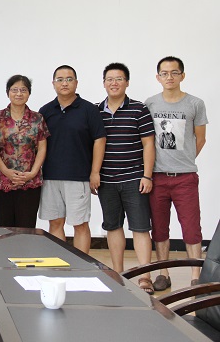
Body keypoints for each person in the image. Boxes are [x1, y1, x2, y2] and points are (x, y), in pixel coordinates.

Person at [145, 56, 208, 291]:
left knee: (191, 227)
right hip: (157, 176)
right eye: (164, 73)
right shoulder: (150, 104)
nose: (169, 77)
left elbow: (200, 139)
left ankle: (195, 275)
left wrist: (184, 160)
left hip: (185, 177)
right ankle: (163, 273)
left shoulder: (195, 104)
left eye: (174, 73)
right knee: (160, 227)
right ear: (158, 77)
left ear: (182, 75)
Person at [96, 63, 155, 294]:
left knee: (140, 228)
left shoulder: (139, 109)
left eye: (119, 79)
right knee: (113, 227)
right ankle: (118, 274)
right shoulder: (95, 111)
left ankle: (145, 277)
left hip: (134, 179)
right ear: (104, 83)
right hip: (106, 180)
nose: (114, 83)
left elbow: (148, 144)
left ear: (127, 82)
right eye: (109, 79)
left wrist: (147, 175)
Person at [38, 65, 106, 254]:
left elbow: (100, 140)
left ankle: (82, 266)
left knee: (80, 224)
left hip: (79, 177)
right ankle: (58, 265)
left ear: (76, 83)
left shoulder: (89, 110)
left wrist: (95, 172)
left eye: (69, 79)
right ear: (53, 84)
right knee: (55, 222)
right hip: (50, 177)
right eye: (59, 79)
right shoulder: (45, 111)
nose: (64, 83)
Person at [0, 75, 49, 228]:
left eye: (23, 90)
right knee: (4, 227)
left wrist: (33, 173)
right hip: (2, 180)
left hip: (30, 180)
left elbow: (42, 147)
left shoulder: (37, 119)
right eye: (14, 90)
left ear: (29, 93)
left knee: (27, 227)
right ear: (8, 92)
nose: (19, 93)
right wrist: (6, 172)